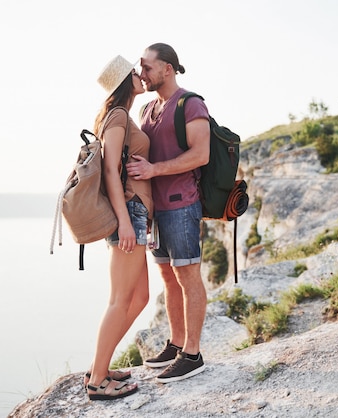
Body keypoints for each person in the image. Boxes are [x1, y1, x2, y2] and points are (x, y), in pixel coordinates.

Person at [126, 43, 210, 383]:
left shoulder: (191, 105)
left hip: (182, 205)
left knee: (188, 278)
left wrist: (153, 170)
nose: (142, 73)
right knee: (169, 279)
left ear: (168, 69)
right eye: (140, 68)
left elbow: (200, 154)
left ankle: (193, 354)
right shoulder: (147, 109)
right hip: (155, 211)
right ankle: (176, 345)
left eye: (147, 67)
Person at [84, 55, 152, 400]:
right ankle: (97, 381)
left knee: (140, 297)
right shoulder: (118, 116)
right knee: (120, 299)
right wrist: (125, 221)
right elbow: (111, 170)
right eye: (135, 73)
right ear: (126, 80)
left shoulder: (121, 116)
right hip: (129, 212)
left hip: (136, 212)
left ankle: (101, 364)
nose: (142, 76)